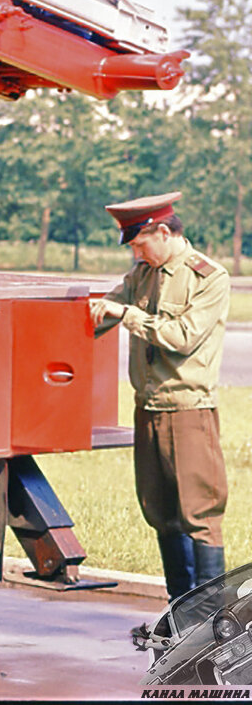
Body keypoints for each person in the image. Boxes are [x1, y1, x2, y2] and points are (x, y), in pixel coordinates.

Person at [89, 192, 230, 601]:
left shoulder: (208, 277)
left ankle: (208, 621)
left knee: (199, 514)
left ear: (164, 231)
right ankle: (181, 609)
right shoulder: (142, 275)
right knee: (162, 514)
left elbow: (181, 337)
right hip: (148, 409)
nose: (136, 252)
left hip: (188, 411)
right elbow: (107, 308)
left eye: (139, 243)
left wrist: (126, 315)